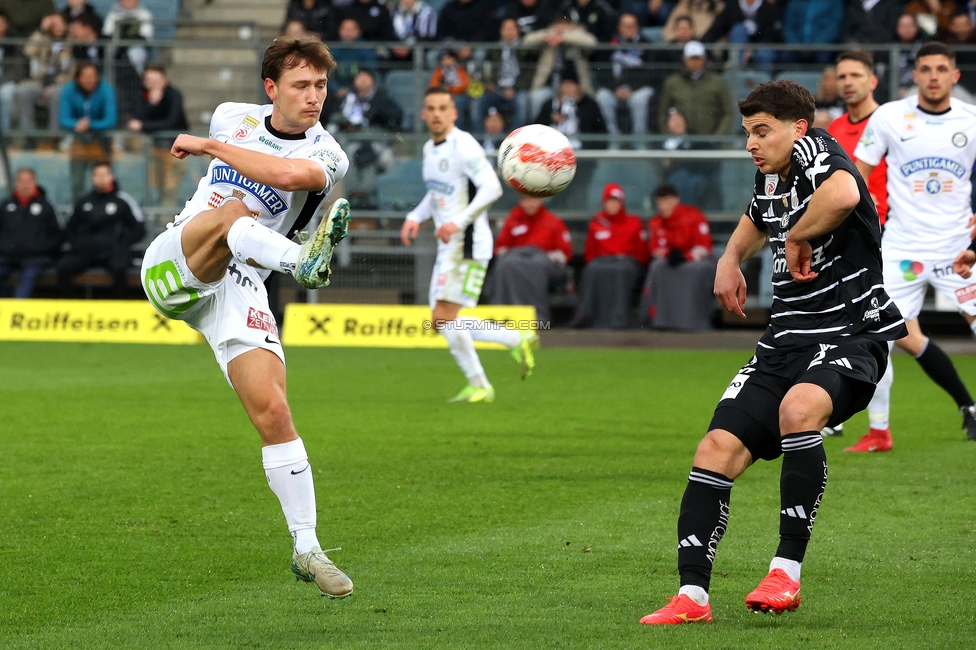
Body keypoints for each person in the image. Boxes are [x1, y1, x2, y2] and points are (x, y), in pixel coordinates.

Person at [640, 79, 906, 625]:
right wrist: (729, 258)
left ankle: (786, 571)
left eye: (762, 132)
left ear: (798, 129)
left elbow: (845, 195)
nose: (751, 144)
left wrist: (796, 235)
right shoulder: (773, 174)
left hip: (848, 335)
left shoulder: (819, 154)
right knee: (715, 448)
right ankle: (692, 598)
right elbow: (757, 215)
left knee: (798, 411)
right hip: (783, 344)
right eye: (747, 133)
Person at [140, 36, 356, 599]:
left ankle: (307, 547)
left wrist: (211, 147)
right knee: (231, 208)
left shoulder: (330, 154)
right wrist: (219, 142)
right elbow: (248, 173)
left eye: (321, 86)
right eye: (301, 86)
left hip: (238, 282)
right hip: (176, 259)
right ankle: (302, 264)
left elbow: (286, 178)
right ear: (271, 89)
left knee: (275, 411)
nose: (314, 97)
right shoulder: (232, 116)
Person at [846, 42, 976, 452]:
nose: (934, 76)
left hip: (959, 251)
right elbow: (856, 178)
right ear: (914, 75)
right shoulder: (889, 117)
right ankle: (879, 432)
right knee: (879, 337)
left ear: (954, 76)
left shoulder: (971, 121)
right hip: (903, 249)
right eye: (925, 69)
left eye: (942, 69)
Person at [399, 86, 537, 403]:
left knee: (444, 318)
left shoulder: (464, 145)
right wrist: (414, 217)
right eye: (430, 108)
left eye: (442, 108)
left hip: (468, 241)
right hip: (452, 242)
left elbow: (492, 188)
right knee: (443, 320)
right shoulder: (430, 149)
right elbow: (437, 195)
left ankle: (485, 379)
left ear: (454, 112)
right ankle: (513, 343)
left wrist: (456, 223)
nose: (436, 114)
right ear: (423, 114)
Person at [57, 162, 145, 297]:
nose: (101, 178)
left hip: (112, 252)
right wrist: (79, 245)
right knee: (63, 267)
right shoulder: (83, 202)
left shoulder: (123, 201)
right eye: (98, 175)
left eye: (105, 174)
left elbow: (139, 228)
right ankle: (69, 308)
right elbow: (69, 228)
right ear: (93, 178)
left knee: (120, 267)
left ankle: (118, 309)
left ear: (112, 177)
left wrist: (120, 245)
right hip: (86, 252)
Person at [570, 183, 648, 329]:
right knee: (591, 270)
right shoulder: (597, 222)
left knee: (620, 271)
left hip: (626, 262)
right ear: (604, 202)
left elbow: (641, 253)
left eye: (616, 201)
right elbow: (590, 253)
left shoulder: (634, 223)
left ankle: (618, 320)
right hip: (602, 261)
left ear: (622, 203)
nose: (612, 205)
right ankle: (585, 317)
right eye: (609, 201)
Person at [640, 184, 715, 330]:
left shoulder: (694, 215)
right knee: (657, 267)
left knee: (697, 270)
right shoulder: (655, 222)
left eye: (667, 201)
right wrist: (670, 254)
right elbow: (655, 249)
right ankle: (658, 320)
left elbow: (705, 246)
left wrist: (686, 256)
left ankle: (694, 322)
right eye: (660, 203)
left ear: (676, 200)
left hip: (696, 261)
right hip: (671, 261)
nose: (663, 206)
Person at [489, 194, 572, 322]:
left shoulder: (554, 222)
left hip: (545, 265)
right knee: (506, 264)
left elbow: (565, 253)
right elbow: (500, 249)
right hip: (515, 264)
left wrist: (541, 256)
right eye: (526, 200)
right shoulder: (512, 220)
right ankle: (502, 316)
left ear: (541, 200)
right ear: (520, 202)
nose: (530, 204)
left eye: (533, 200)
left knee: (534, 265)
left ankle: (537, 317)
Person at [128, 64, 190, 208]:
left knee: (170, 187)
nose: (153, 84)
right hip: (153, 149)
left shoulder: (173, 94)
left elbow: (171, 122)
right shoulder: (141, 95)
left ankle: (165, 219)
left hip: (174, 150)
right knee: (154, 186)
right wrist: (151, 104)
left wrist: (145, 126)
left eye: (156, 80)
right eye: (149, 80)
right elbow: (138, 119)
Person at [0, 168, 62, 298]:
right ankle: (7, 301)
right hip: (7, 258)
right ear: (16, 183)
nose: (25, 185)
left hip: (37, 259)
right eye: (21, 181)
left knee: (28, 276)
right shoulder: (5, 206)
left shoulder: (46, 206)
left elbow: (57, 234)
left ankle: (17, 311)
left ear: (35, 183)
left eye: (28, 181)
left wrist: (43, 249)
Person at [59, 62, 117, 200]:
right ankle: (80, 210)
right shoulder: (69, 89)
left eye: (92, 76)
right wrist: (76, 124)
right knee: (77, 181)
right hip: (79, 140)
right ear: (78, 77)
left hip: (101, 140)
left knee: (103, 180)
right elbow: (63, 118)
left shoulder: (106, 89)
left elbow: (110, 119)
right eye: (85, 76)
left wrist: (91, 125)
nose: (89, 79)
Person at [595, 13, 656, 141]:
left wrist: (632, 88)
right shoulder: (610, 44)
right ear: (619, 27)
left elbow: (651, 73)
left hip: (637, 89)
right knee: (602, 96)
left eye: (631, 25)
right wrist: (614, 88)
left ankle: (639, 141)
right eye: (624, 25)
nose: (628, 28)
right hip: (615, 90)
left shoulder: (647, 45)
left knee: (639, 99)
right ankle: (613, 139)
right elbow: (602, 70)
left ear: (637, 27)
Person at [657, 41, 733, 137]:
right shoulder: (672, 82)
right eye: (691, 59)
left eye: (697, 58)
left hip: (710, 140)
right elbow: (663, 112)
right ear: (684, 59)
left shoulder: (717, 82)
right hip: (681, 140)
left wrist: (718, 138)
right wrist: (668, 133)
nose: (694, 62)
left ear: (704, 59)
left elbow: (728, 113)